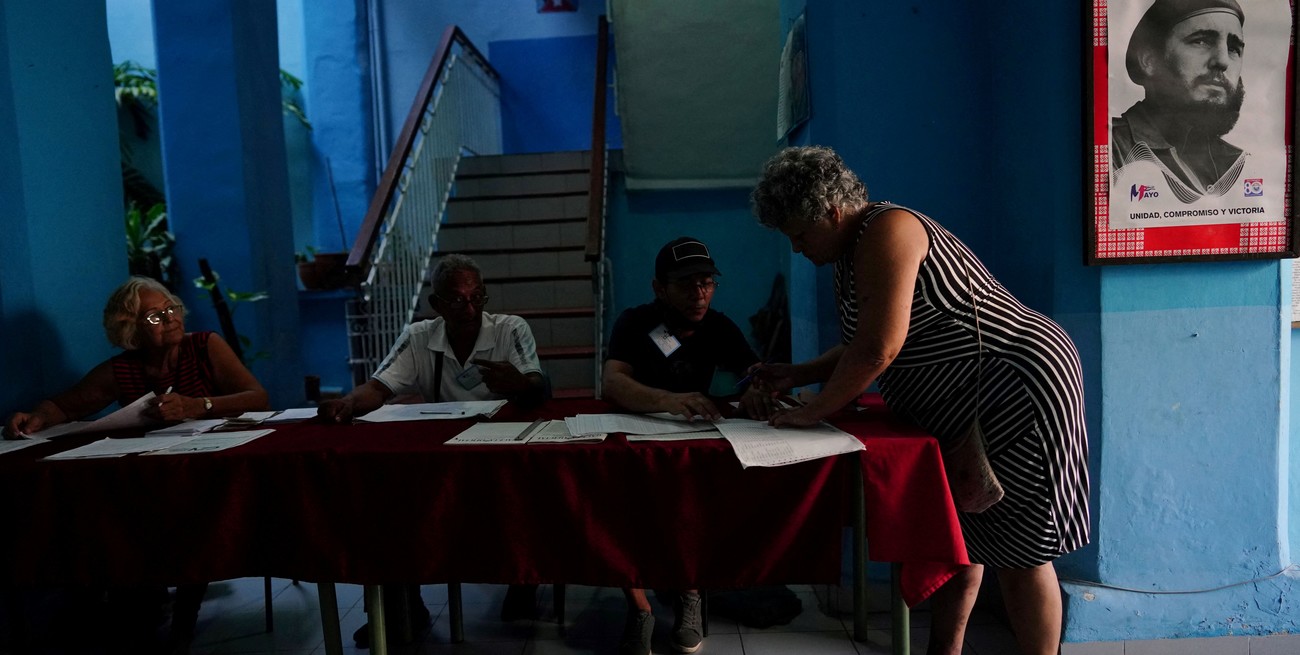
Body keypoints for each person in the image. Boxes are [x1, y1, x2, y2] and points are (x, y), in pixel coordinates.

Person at [749, 146, 1089, 655]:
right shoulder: (852, 251)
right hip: (968, 406)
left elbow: (879, 347)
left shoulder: (889, 229)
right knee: (963, 538)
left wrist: (814, 410)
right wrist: (799, 373)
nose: (798, 249)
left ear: (832, 213)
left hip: (1015, 392)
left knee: (1022, 554)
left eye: (799, 235)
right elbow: (867, 337)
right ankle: (944, 651)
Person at [4, 275, 270, 653]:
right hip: (155, 476)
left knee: (188, 511)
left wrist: (199, 405)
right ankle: (137, 604)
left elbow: (257, 397)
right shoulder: (124, 368)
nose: (171, 318)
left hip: (209, 470)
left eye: (172, 309)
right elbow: (67, 404)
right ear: (129, 330)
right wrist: (35, 417)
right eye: (155, 317)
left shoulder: (204, 346)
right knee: (114, 510)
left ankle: (181, 616)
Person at [317, 253, 545, 647]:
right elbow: (379, 387)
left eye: (478, 297)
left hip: (499, 450)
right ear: (437, 304)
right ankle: (405, 603)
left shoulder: (510, 329)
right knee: (390, 498)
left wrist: (522, 385)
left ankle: (523, 575)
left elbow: (538, 387)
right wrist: (348, 404)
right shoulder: (421, 335)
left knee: (520, 488)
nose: (470, 308)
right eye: (458, 300)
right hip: (444, 452)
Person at [601, 236, 771, 655]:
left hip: (686, 444)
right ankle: (639, 608)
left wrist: (755, 386)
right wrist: (666, 400)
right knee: (617, 508)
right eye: (686, 284)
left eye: (707, 282)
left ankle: (690, 593)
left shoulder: (718, 325)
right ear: (660, 288)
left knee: (693, 507)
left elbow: (750, 370)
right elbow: (613, 381)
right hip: (637, 436)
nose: (700, 293)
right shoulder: (635, 322)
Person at [1110, 0, 1247, 200]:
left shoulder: (1240, 162)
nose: (1223, 60)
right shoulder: (1110, 150)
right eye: (1201, 41)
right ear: (1149, 60)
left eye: (1233, 48)